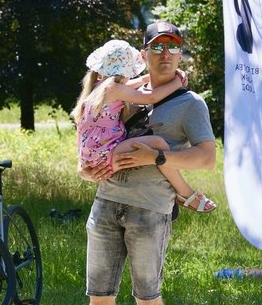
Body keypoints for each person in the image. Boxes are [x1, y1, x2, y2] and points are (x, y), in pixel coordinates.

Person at [78, 21, 217, 305]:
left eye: (173, 47)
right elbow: (93, 134)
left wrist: (155, 159)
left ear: (181, 54)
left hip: (150, 210)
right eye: (157, 47)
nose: (165, 54)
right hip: (106, 204)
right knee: (99, 298)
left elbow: (206, 158)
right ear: (143, 55)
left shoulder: (191, 104)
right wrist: (91, 169)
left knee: (147, 298)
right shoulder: (123, 93)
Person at [72, 39, 217, 214]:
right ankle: (186, 193)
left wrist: (152, 76)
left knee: (155, 145)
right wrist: (178, 82)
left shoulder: (98, 89)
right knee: (158, 144)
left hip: (95, 157)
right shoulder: (113, 89)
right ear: (123, 71)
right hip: (107, 153)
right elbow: (151, 97)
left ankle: (183, 194)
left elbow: (138, 82)